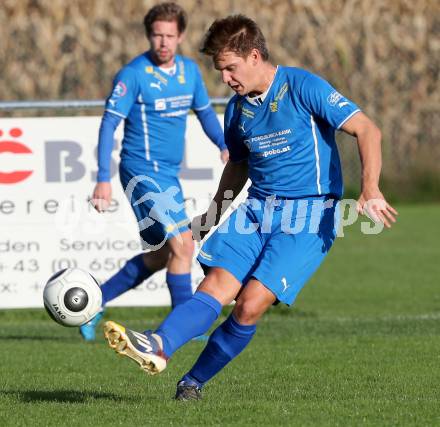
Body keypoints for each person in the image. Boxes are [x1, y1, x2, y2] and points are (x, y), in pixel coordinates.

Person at [102, 15, 397, 400]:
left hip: (309, 217)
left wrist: (370, 186)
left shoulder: (302, 86)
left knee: (250, 305)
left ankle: (193, 382)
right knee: (215, 286)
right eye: (220, 70)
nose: (225, 78)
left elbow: (367, 129)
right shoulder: (238, 110)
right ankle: (159, 344)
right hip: (257, 210)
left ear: (254, 56)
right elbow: (238, 167)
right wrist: (211, 216)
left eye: (229, 68)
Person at [80, 2, 228, 341]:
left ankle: (93, 303)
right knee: (183, 244)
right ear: (149, 36)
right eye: (157, 35)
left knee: (167, 253)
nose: (163, 42)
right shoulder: (133, 75)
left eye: (170, 36)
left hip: (168, 175)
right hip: (140, 171)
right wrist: (103, 178)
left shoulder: (189, 72)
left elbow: (205, 114)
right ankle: (187, 325)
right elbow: (109, 126)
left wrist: (223, 143)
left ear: (181, 37)